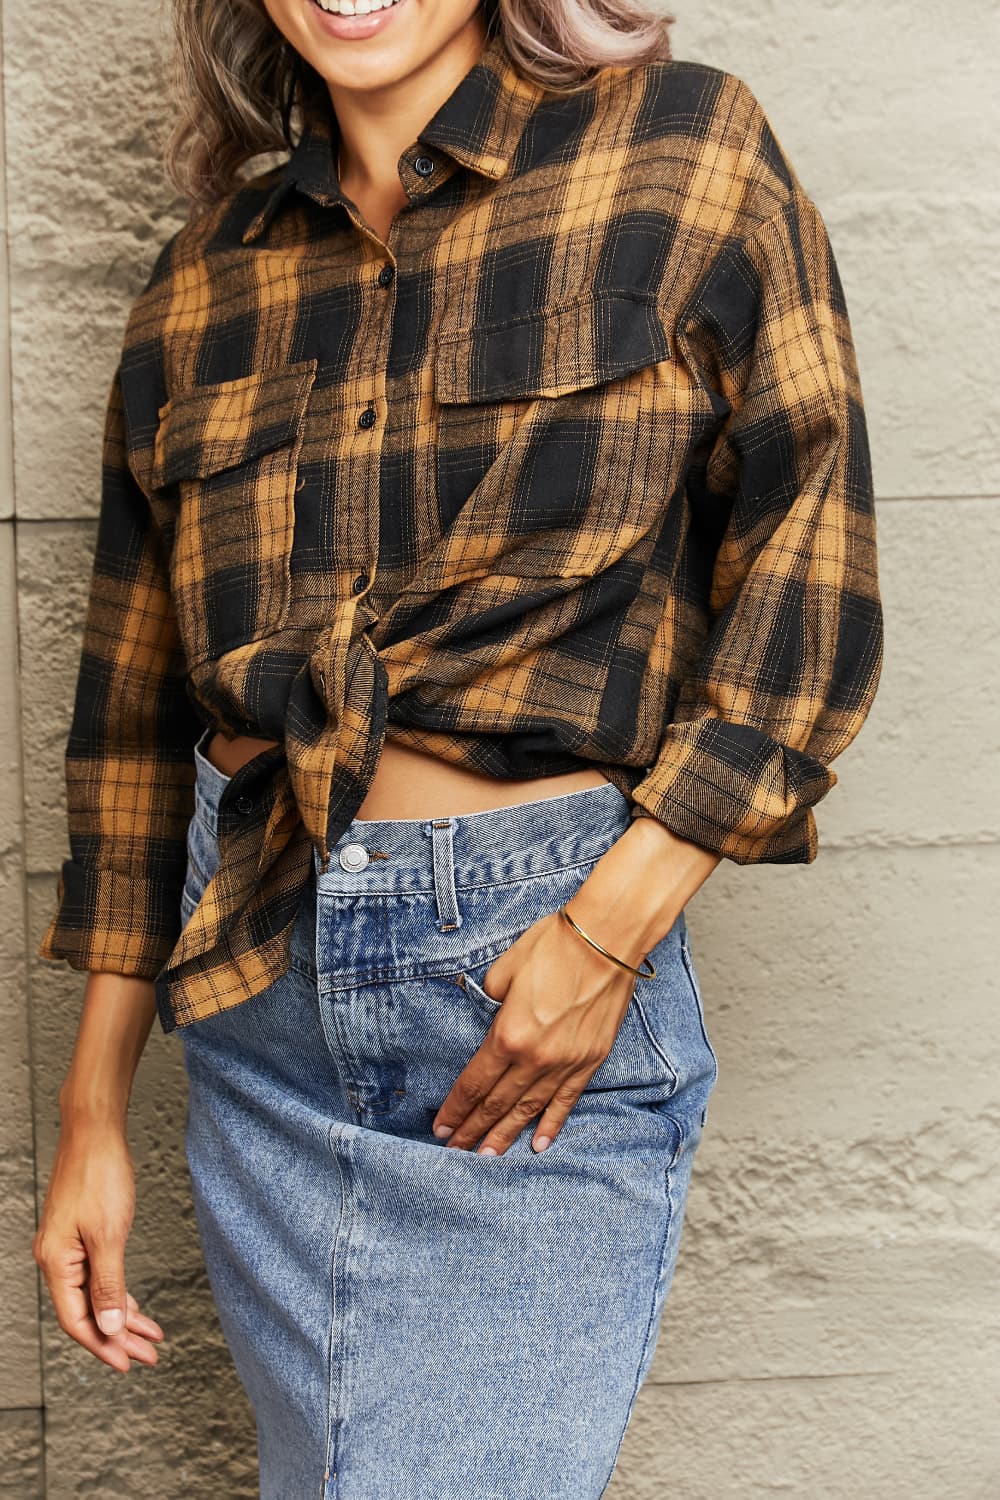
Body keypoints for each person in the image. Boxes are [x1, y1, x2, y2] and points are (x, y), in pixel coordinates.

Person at [32, 0, 884, 1494]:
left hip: (518, 995)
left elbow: (813, 570)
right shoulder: (202, 276)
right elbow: (130, 719)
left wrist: (605, 935)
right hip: (257, 1010)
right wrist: (92, 1110)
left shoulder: (683, 150)